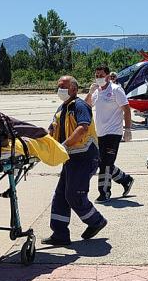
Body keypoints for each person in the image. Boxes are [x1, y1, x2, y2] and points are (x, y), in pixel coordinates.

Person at [42, 76, 107, 246]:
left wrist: (63, 145)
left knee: (74, 195)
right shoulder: (61, 109)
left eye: (63, 87)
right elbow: (51, 130)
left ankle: (96, 221)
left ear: (74, 89)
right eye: (59, 87)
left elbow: (82, 128)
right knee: (60, 196)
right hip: (71, 159)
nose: (60, 90)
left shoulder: (80, 106)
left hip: (85, 157)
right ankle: (60, 234)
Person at [85, 65, 135, 202]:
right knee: (102, 162)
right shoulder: (97, 91)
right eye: (96, 76)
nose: (98, 78)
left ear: (108, 76)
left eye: (101, 75)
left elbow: (126, 109)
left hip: (113, 132)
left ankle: (104, 192)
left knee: (106, 164)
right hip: (100, 133)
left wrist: (128, 129)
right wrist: (90, 93)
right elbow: (86, 106)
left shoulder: (115, 90)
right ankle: (125, 180)